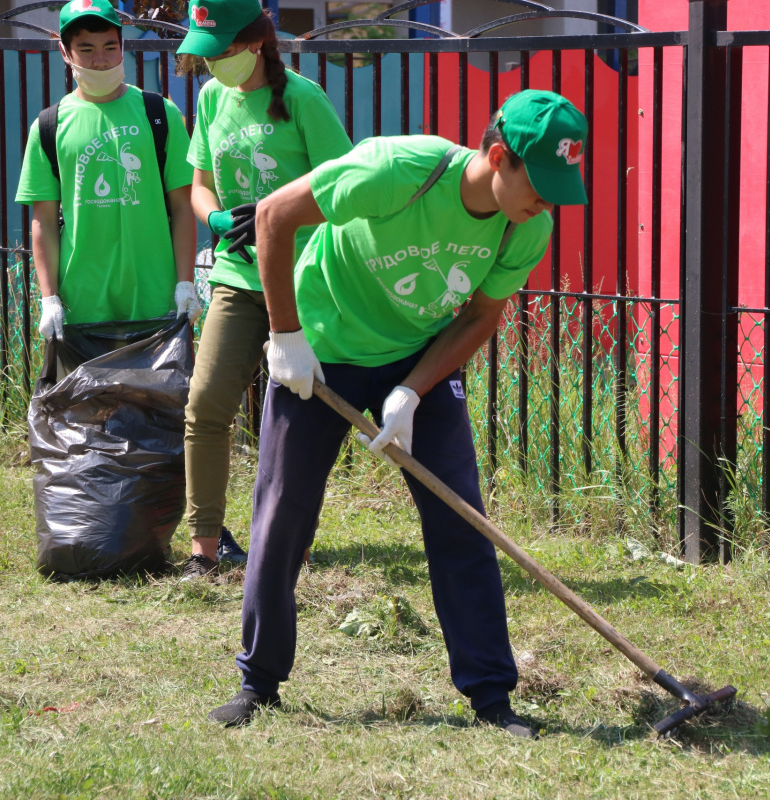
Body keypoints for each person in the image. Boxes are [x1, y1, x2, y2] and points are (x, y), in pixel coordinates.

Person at [207, 90, 588, 737]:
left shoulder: (526, 225)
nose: (546, 204)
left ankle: (492, 697)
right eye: (539, 186)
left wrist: (412, 389)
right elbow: (272, 216)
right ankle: (258, 682)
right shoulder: (397, 171)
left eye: (559, 190)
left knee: (461, 519)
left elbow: (480, 317)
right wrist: (286, 337)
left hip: (419, 358)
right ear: (499, 156)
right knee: (283, 515)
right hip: (322, 349)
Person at [174, 0, 354, 580]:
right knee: (205, 406)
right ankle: (206, 547)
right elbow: (200, 187)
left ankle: (290, 542)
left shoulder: (303, 99)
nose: (212, 65)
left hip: (301, 283)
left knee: (295, 418)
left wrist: (282, 219)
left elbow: (345, 192)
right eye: (206, 55)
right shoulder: (209, 99)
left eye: (221, 52)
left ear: (255, 42)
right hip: (236, 276)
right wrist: (219, 221)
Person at [16, 0, 199, 340]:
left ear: (122, 47)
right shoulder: (48, 126)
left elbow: (183, 205)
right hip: (81, 310)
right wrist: (50, 298)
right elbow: (43, 218)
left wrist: (185, 283)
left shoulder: (161, 114)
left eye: (109, 47)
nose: (100, 60)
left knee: (159, 397)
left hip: (156, 304)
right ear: (64, 52)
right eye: (86, 49)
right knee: (86, 396)